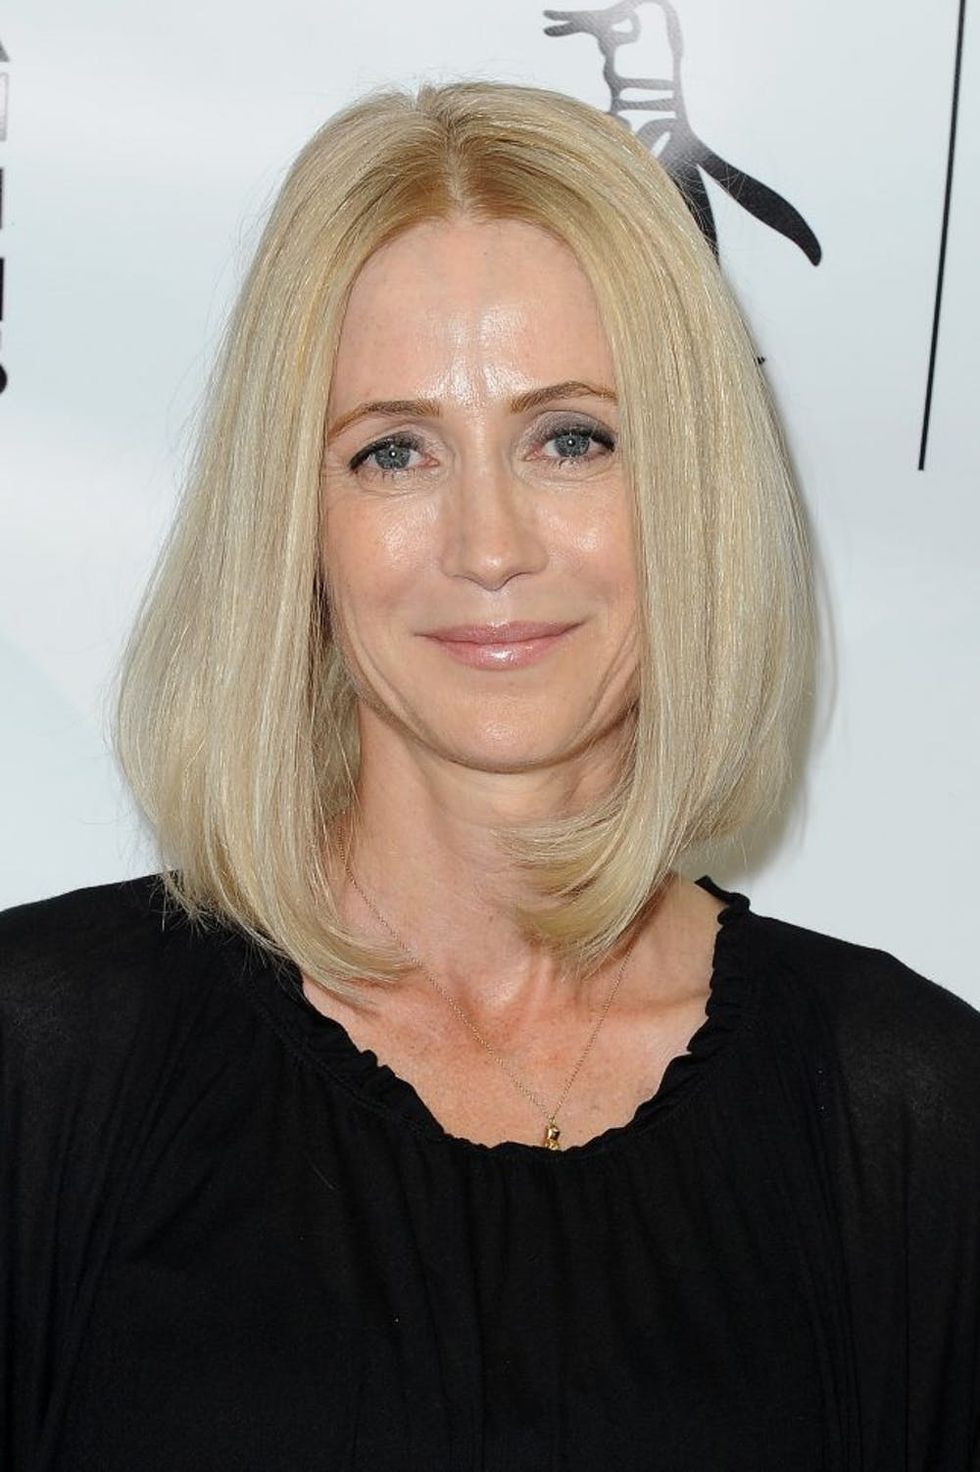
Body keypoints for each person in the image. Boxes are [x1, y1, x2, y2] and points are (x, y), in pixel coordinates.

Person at [1, 80, 978, 1471]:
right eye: (393, 452)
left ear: (688, 487)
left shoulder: (908, 1112)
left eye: (571, 438)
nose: (491, 545)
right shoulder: (46, 1056)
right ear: (297, 526)